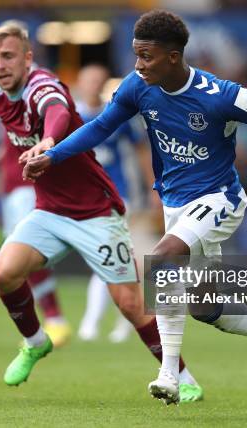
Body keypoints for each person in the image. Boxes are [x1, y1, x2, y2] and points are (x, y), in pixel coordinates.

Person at [22, 10, 247, 405]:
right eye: (136, 55)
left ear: (174, 57)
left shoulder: (221, 95)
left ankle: (168, 374)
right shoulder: (137, 88)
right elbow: (101, 127)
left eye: (147, 56)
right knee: (206, 308)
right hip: (176, 205)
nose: (138, 65)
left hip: (219, 199)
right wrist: (54, 155)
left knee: (163, 258)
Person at [0, 21, 204, 403]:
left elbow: (58, 111)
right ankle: (35, 341)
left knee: (129, 303)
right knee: (3, 272)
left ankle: (183, 376)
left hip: (95, 212)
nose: (0, 64)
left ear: (28, 58)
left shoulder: (42, 86)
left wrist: (47, 140)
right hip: (49, 211)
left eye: (8, 55)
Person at [73, 64, 152, 343]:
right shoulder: (71, 116)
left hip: (117, 196)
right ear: (80, 85)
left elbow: (141, 149)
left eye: (98, 80)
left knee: (109, 259)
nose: (94, 85)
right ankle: (122, 322)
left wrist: (153, 186)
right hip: (85, 198)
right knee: (118, 262)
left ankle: (92, 323)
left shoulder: (117, 115)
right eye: (89, 80)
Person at [0, 140, 72, 348]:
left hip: (28, 185)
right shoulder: (12, 110)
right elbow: (12, 140)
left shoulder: (40, 107)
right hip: (12, 187)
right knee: (20, 258)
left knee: (25, 252)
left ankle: (55, 318)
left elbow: (47, 137)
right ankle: (53, 319)